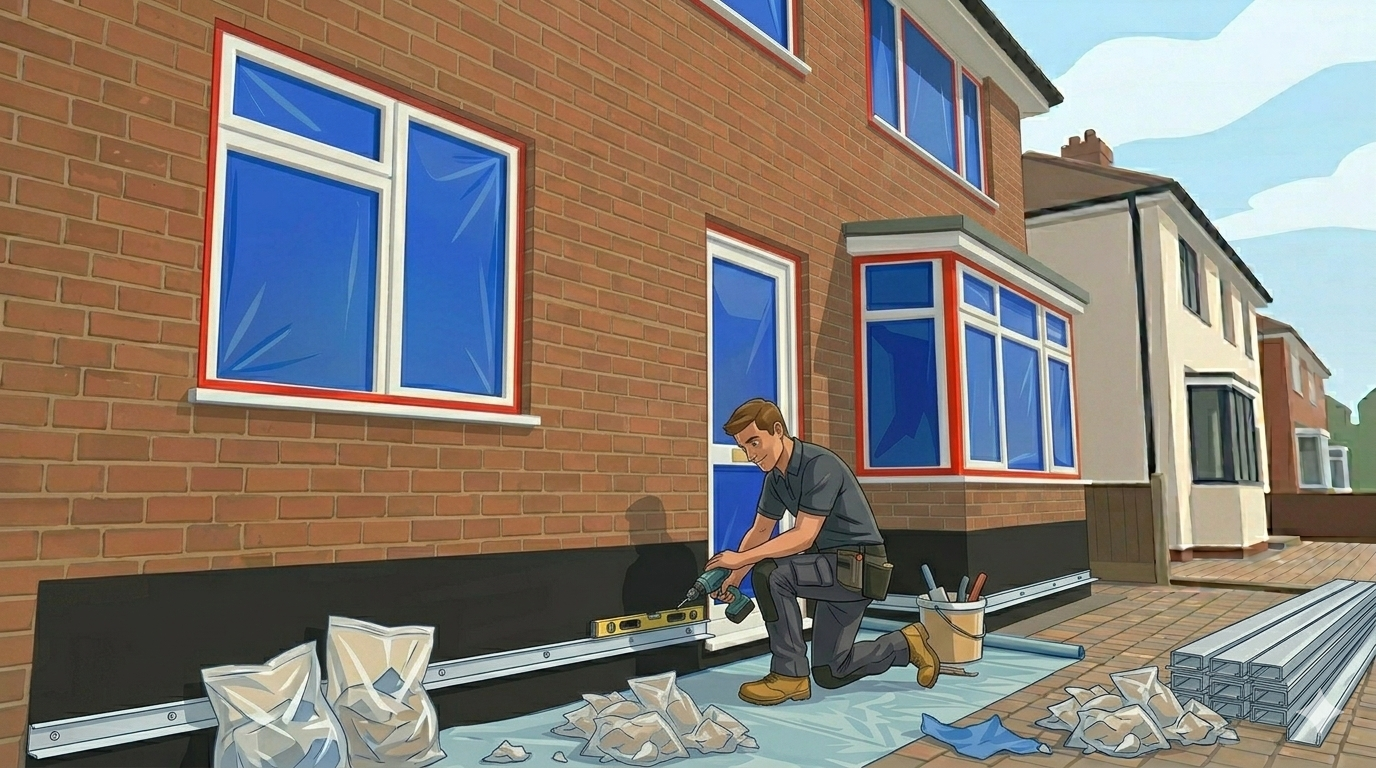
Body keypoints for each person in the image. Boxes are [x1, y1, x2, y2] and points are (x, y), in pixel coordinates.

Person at [705, 398, 941, 706]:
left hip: (857, 565)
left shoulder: (819, 465)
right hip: (830, 568)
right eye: (744, 447)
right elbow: (760, 531)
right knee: (832, 671)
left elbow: (804, 536)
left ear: (777, 431)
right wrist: (734, 578)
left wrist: (742, 560)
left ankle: (789, 676)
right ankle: (906, 644)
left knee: (771, 574)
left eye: (754, 442)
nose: (751, 454)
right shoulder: (776, 479)